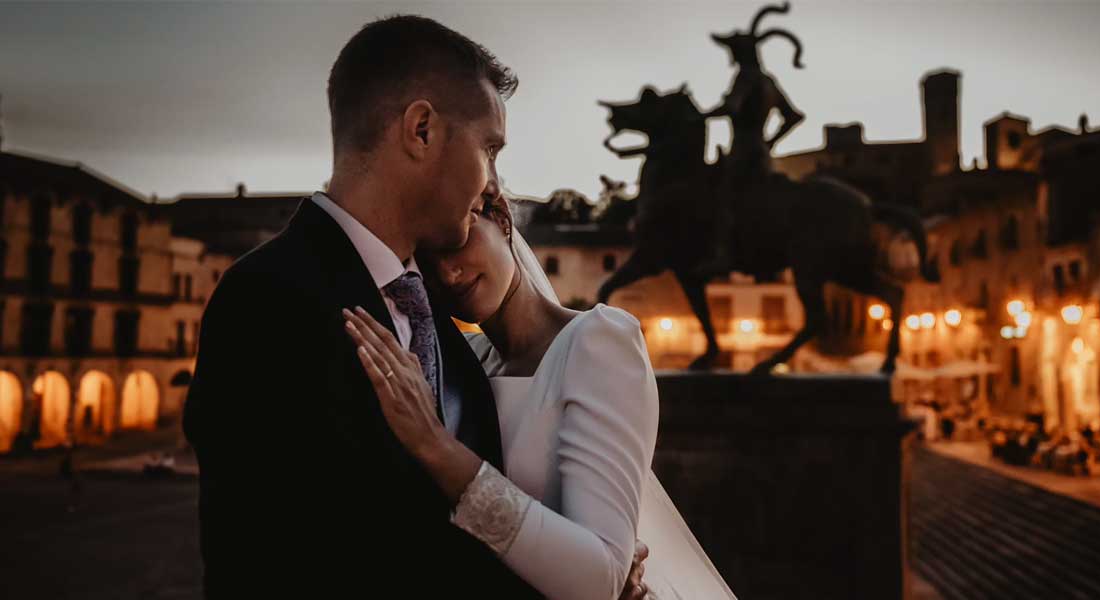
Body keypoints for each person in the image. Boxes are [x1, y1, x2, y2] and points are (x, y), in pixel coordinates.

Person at [183, 15, 649, 598]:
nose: (491, 183)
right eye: (489, 148)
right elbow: (265, 560)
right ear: (422, 130)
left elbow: (452, 542)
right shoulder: (265, 298)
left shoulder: (444, 323)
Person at [344, 193, 736, 600]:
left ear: (500, 218)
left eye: (458, 241)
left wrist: (434, 445)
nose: (448, 273)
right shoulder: (462, 362)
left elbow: (600, 578)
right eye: (426, 262)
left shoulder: (598, 340)